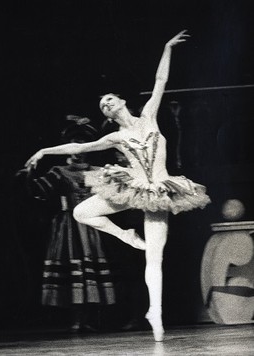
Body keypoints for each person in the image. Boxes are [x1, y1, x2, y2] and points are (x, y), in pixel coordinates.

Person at [25, 30, 211, 341]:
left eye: (109, 100)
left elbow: (160, 82)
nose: (107, 106)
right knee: (82, 212)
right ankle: (125, 235)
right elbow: (80, 149)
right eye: (103, 107)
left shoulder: (149, 115)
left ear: (122, 100)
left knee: (155, 257)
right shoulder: (115, 137)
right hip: (131, 189)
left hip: (159, 191)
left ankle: (156, 314)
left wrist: (166, 47)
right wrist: (44, 151)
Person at [21, 117, 116, 332]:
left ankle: (91, 319)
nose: (77, 152)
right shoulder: (59, 171)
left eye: (81, 146)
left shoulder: (98, 172)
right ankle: (76, 319)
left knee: (91, 269)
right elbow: (38, 192)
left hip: (93, 225)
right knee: (75, 269)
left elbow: (111, 196)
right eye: (73, 145)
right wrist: (28, 175)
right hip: (69, 226)